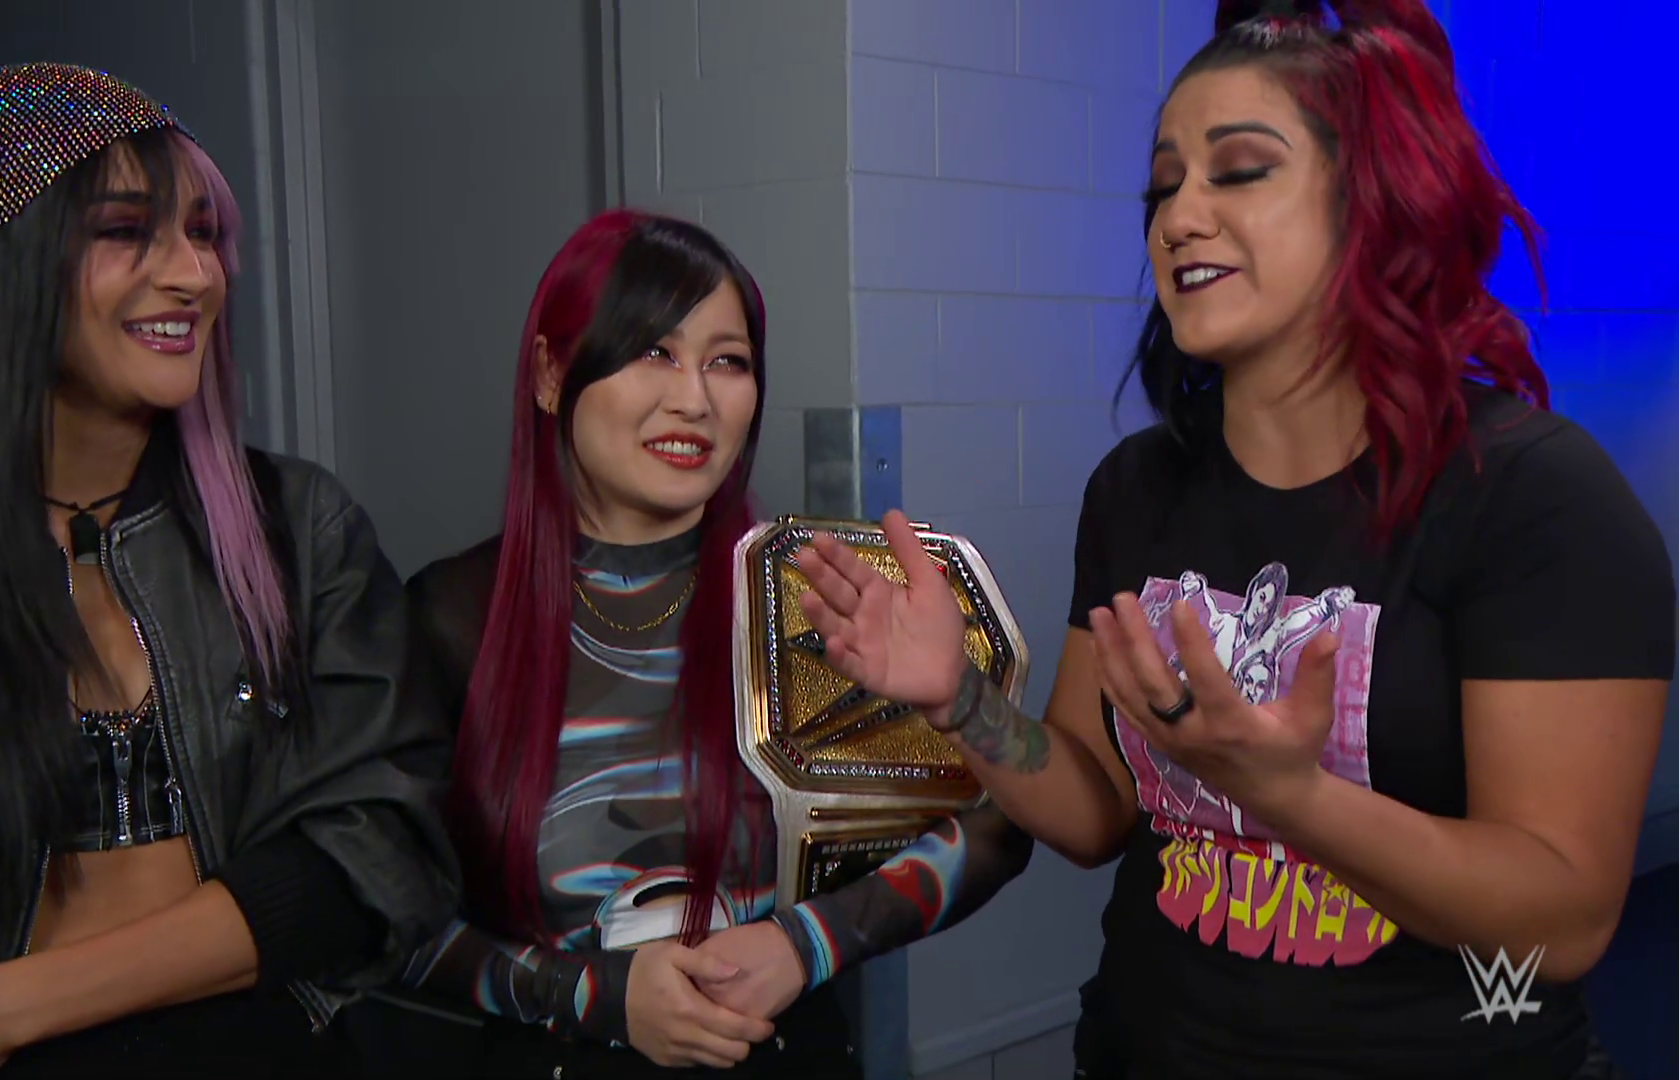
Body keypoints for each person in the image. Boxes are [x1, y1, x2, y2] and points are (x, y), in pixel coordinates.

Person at [790, 3, 1672, 1079]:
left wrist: (1294, 795)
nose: (1179, 217)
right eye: (1163, 187)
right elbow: (1096, 813)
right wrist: (960, 699)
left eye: (1240, 171)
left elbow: (1563, 923)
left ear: (1375, 204)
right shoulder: (1136, 489)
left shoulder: (1533, 497)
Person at [0, 64, 459, 1078]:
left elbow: (373, 851)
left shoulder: (300, 528)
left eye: (204, 234)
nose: (195, 275)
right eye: (127, 231)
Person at [378, 209, 1034, 1077]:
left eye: (728, 361)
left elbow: (1000, 824)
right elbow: (382, 911)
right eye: (653, 350)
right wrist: (595, 995)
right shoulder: (454, 618)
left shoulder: (814, 599)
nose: (694, 399)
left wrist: (806, 943)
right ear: (550, 373)